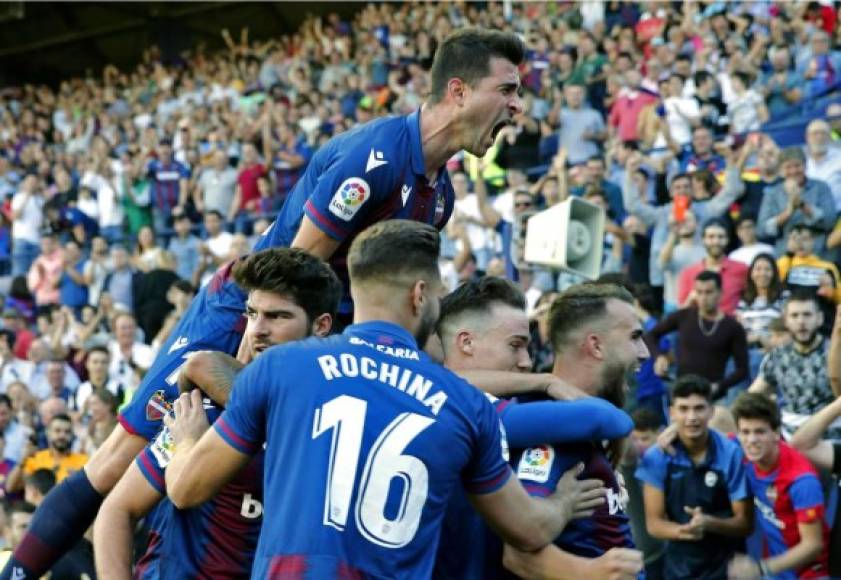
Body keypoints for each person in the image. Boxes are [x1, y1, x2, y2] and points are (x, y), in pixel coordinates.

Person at [0, 27, 528, 579]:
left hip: (312, 329)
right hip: (247, 313)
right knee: (115, 464)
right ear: (461, 91)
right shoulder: (372, 162)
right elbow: (288, 279)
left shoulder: (438, 194)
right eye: (508, 89)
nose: (517, 106)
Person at [163, 220, 592, 578]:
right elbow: (530, 531)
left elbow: (184, 489)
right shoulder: (466, 404)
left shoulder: (280, 368)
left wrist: (187, 437)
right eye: (440, 297)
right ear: (420, 295)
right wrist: (563, 501)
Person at [93, 248, 341, 578]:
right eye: (252, 314)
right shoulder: (203, 412)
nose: (257, 330)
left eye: (277, 316)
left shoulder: (338, 420)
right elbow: (117, 510)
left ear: (322, 325)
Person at [433, 277, 642, 579]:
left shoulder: (427, 393)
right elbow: (605, 420)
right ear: (466, 342)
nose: (526, 362)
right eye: (515, 345)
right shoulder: (476, 413)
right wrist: (564, 506)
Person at [501, 282, 649, 579]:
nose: (644, 352)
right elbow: (519, 552)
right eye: (634, 337)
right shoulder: (553, 432)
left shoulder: (585, 424)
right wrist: (589, 572)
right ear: (595, 346)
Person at [636, 374, 752, 579]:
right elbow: (654, 524)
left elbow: (745, 523)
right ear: (672, 413)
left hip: (728, 565)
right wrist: (687, 531)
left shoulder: (731, 453)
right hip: (679, 566)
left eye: (699, 408)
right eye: (683, 409)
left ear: (711, 411)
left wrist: (708, 523)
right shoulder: (657, 457)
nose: (692, 417)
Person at [728, 393, 829, 580]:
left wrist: (760, 568)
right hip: (774, 567)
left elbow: (813, 545)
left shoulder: (802, 482)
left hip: (808, 572)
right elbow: (714, 423)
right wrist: (675, 429)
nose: (751, 441)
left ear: (776, 433)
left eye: (759, 432)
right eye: (745, 432)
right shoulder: (742, 450)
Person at [749, 293, 841, 439]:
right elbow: (754, 394)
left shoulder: (835, 352)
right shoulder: (777, 356)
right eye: (795, 315)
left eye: (807, 315)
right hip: (788, 436)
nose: (801, 321)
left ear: (819, 319)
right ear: (786, 320)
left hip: (831, 437)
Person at [648, 271, 749, 401]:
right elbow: (650, 335)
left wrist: (719, 385)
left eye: (708, 292)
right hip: (681, 391)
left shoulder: (733, 327)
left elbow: (742, 369)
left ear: (720, 293)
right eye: (699, 292)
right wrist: (659, 357)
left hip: (713, 397)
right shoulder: (683, 316)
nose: (703, 297)